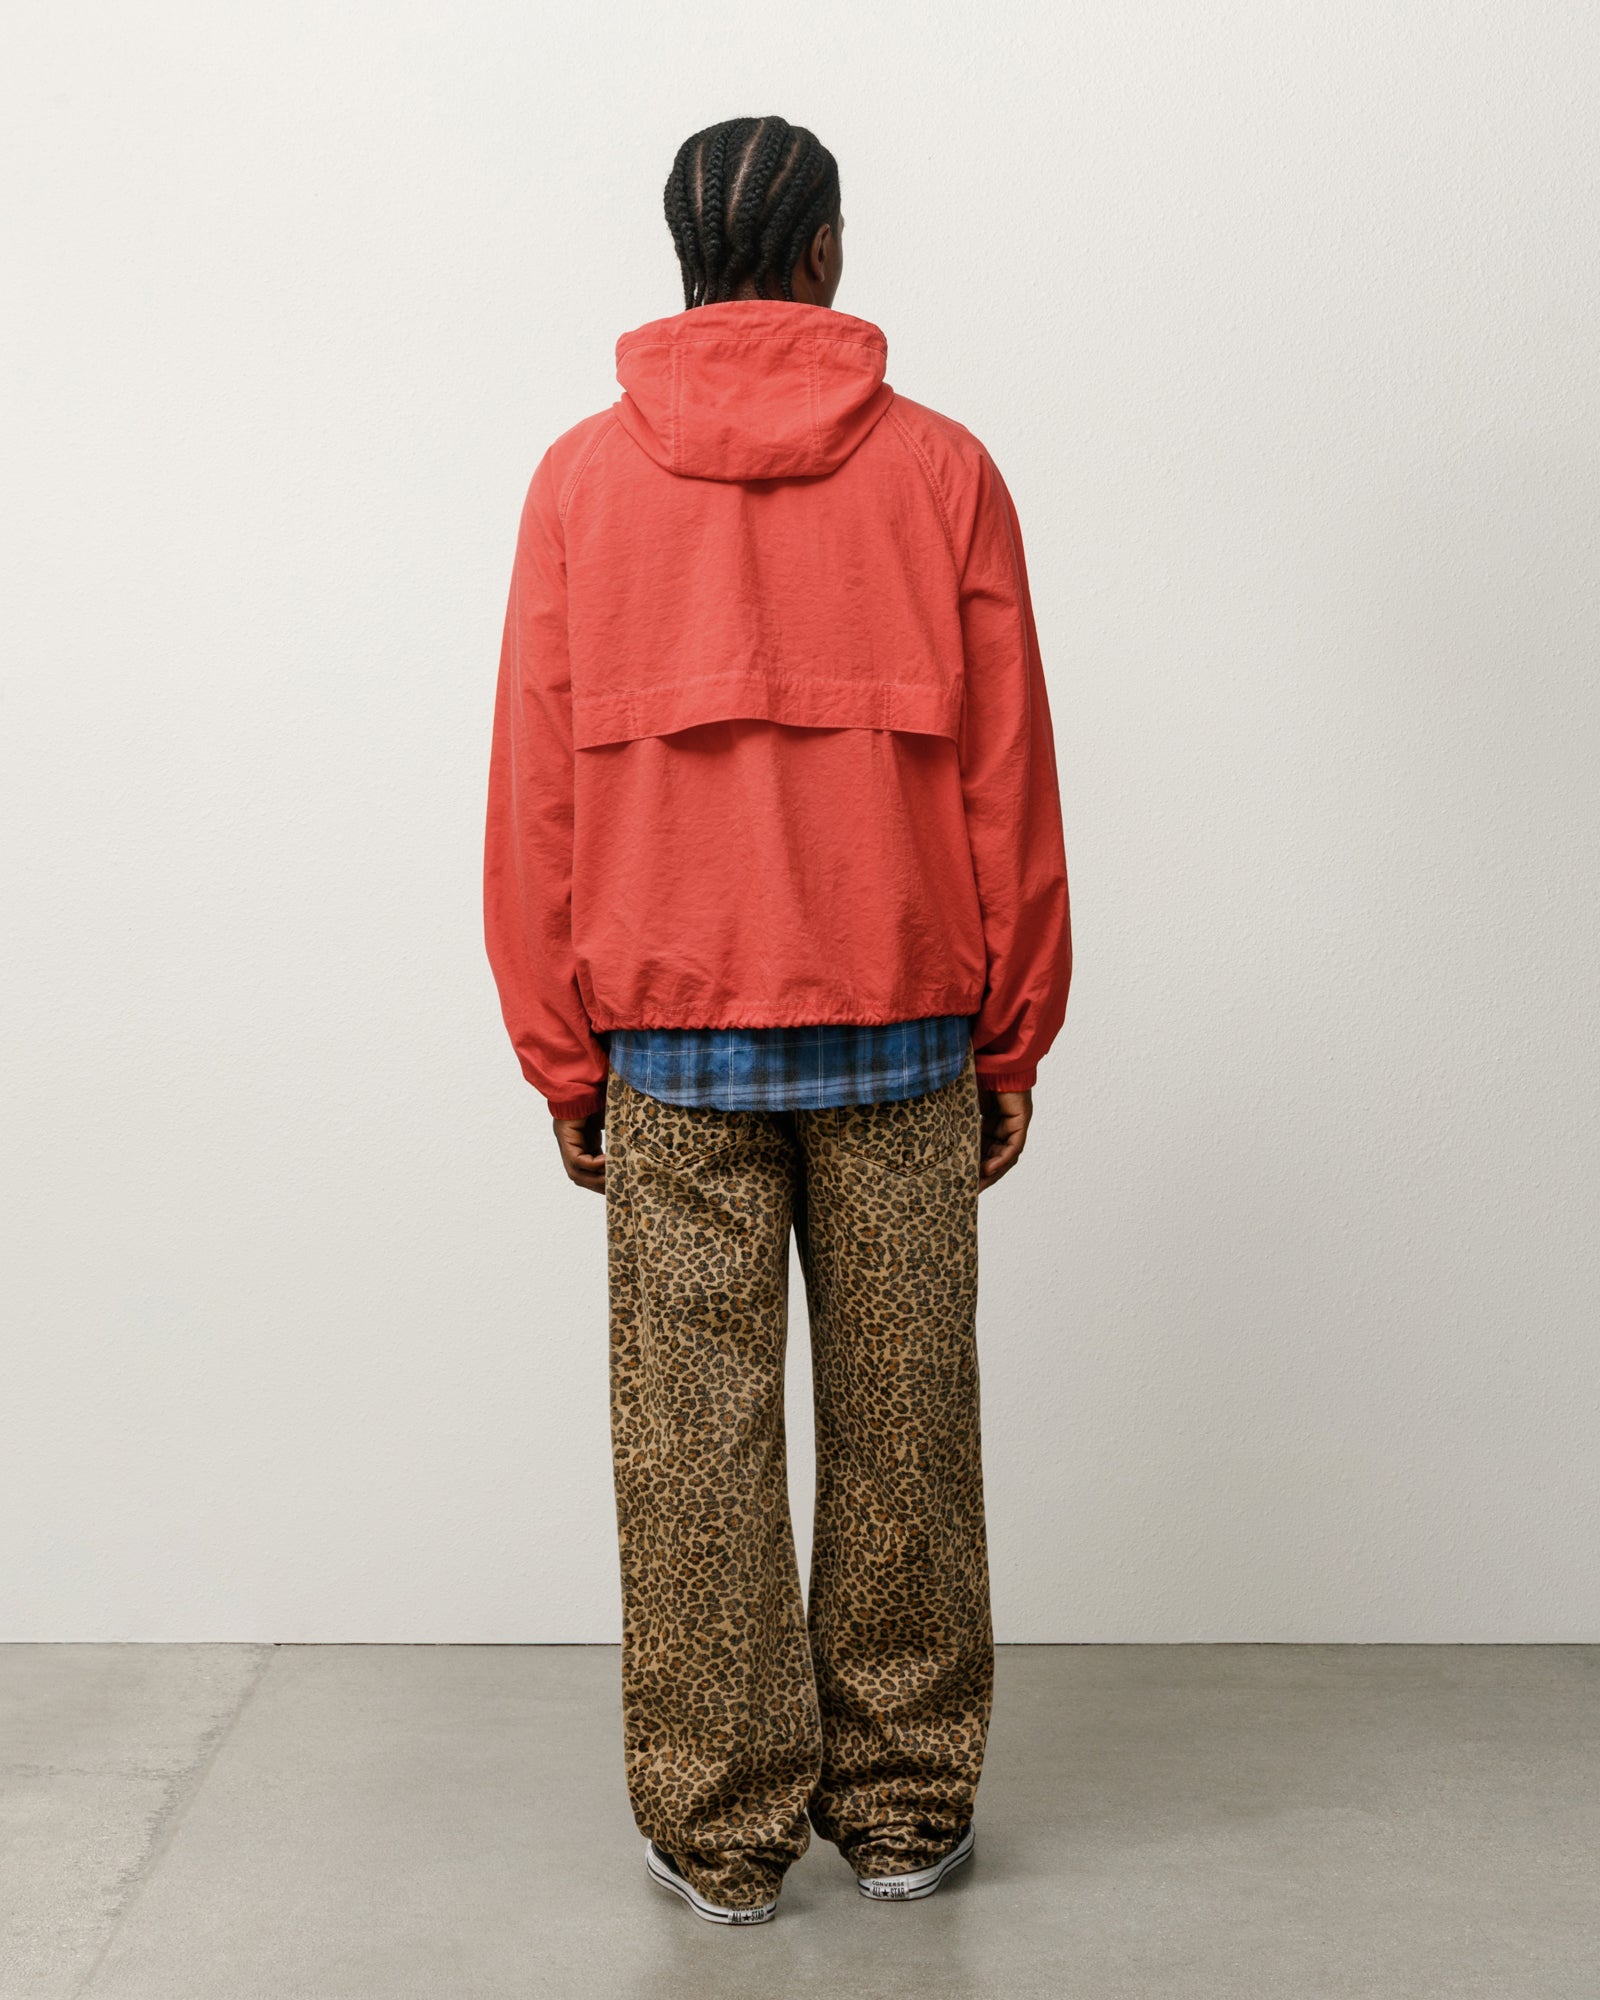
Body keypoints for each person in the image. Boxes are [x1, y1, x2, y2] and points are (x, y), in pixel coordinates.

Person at [483, 114, 1071, 1927]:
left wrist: (558, 1048)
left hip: (669, 1047)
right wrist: (1015, 1031)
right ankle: (901, 1809)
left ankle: (723, 1834)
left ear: (683, 258)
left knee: (692, 1451)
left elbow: (535, 790)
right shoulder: (945, 472)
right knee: (910, 1435)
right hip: (905, 1034)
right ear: (824, 253)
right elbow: (1009, 776)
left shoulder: (580, 483)